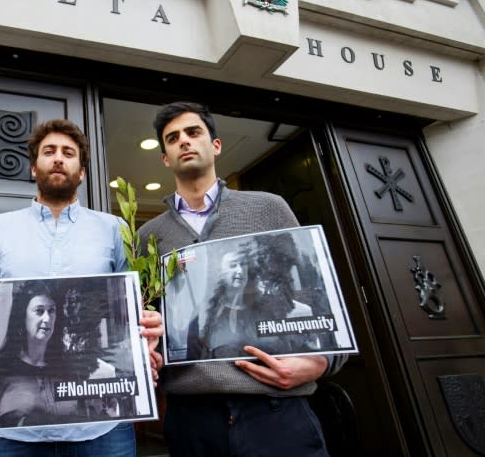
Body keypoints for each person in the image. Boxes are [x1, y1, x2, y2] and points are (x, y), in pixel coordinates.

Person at [0, 118, 163, 457]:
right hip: (14, 438)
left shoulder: (114, 229)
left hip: (101, 431)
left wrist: (147, 337)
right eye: (49, 151)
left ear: (82, 171)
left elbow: (127, 314)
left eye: (68, 153)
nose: (58, 158)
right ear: (33, 168)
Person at [139, 101, 347, 456]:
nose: (184, 142)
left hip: (276, 410)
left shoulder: (269, 207)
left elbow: (317, 298)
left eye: (193, 132)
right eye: (173, 138)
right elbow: (150, 325)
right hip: (192, 418)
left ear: (215, 145)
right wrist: (149, 353)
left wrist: (322, 362)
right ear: (165, 158)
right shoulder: (147, 235)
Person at [0, 281, 118, 429]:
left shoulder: (69, 367)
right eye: (39, 311)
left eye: (51, 311)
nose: (47, 318)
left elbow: (86, 419)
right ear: (22, 317)